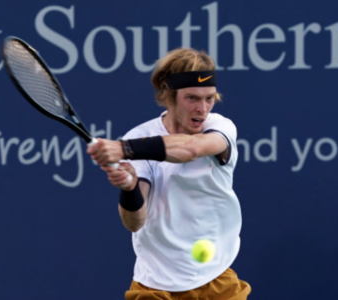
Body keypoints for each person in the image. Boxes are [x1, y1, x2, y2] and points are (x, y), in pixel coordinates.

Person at [87, 48, 251, 300]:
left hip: (216, 280)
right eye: (192, 98)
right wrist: (129, 188)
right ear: (169, 96)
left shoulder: (220, 127)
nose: (203, 109)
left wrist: (122, 148)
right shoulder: (138, 137)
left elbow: (191, 148)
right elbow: (135, 223)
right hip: (156, 286)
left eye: (209, 98)